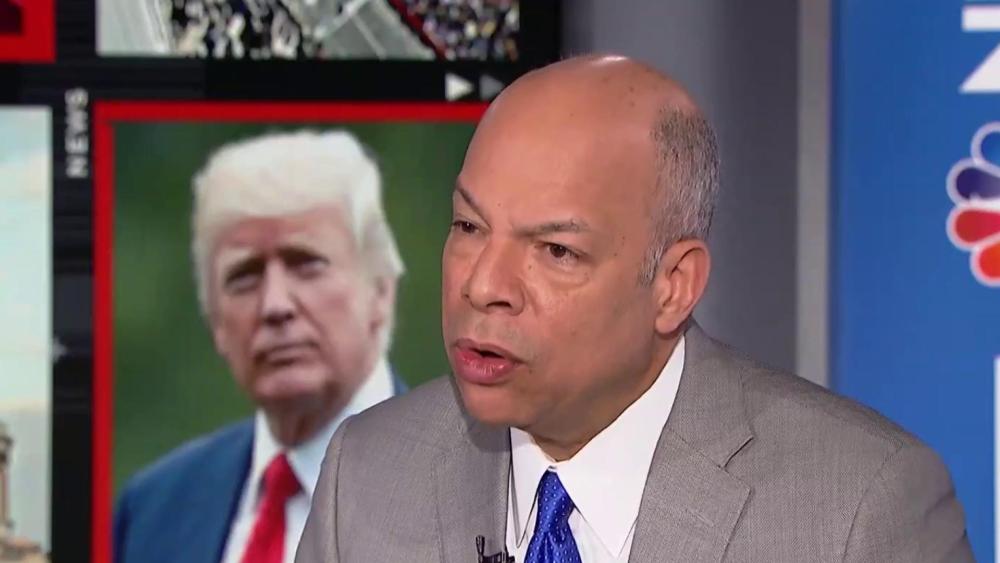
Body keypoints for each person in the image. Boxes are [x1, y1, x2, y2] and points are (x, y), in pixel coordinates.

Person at [296, 56, 974, 562]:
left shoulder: (858, 510)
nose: (483, 285)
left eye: (556, 251)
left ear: (674, 285)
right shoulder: (368, 472)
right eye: (469, 227)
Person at [114, 130, 407, 563]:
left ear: (380, 291)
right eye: (245, 276)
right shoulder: (153, 511)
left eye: (306, 264)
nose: (274, 305)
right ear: (216, 321)